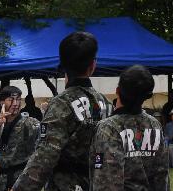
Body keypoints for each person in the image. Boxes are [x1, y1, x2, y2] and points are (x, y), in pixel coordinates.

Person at [12, 32, 112, 191]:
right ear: (93, 65)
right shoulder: (105, 103)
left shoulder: (61, 104)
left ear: (63, 65)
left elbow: (45, 156)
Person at [92, 65, 168, 191]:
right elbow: (162, 176)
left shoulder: (109, 127)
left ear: (117, 90)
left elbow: (106, 181)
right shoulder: (155, 125)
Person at [0, 86, 41, 191]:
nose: (16, 103)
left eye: (18, 99)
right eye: (11, 100)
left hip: (22, 180)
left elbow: (44, 146)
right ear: (2, 103)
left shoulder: (30, 123)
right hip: (2, 181)